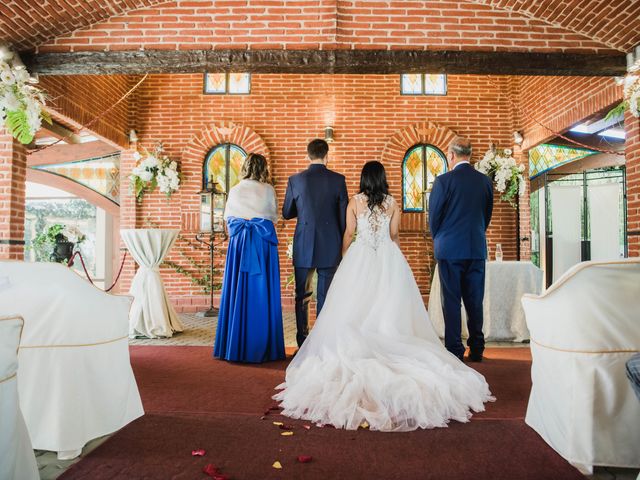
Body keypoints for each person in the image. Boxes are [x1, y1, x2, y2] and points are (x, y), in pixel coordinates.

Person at [274, 161, 493, 431]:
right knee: (391, 304)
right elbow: (394, 235)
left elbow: (349, 234)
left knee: (354, 306)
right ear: (383, 179)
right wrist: (397, 260)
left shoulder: (355, 201)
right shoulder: (392, 202)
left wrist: (345, 260)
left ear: (364, 179)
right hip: (388, 257)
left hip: (360, 256)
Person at [213, 153, 285, 363]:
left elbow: (227, 218)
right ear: (263, 169)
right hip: (261, 242)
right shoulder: (268, 190)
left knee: (237, 288)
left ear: (245, 167)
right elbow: (272, 216)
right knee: (262, 289)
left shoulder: (234, 190)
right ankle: (264, 344)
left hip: (240, 242)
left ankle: (233, 343)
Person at [428, 137, 493, 362]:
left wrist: (441, 238)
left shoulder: (443, 181)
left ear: (452, 155)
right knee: (475, 300)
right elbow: (486, 216)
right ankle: (477, 348)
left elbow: (434, 218)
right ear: (470, 155)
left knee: (452, 300)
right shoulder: (484, 181)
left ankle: (455, 350)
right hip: (475, 247)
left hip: (449, 249)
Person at [282, 139, 348, 347]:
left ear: (308, 155)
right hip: (331, 243)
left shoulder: (295, 180)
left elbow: (286, 213)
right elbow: (343, 217)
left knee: (302, 294)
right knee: (325, 296)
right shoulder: (338, 180)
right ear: (327, 155)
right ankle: (323, 341)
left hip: (304, 243)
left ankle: (302, 341)